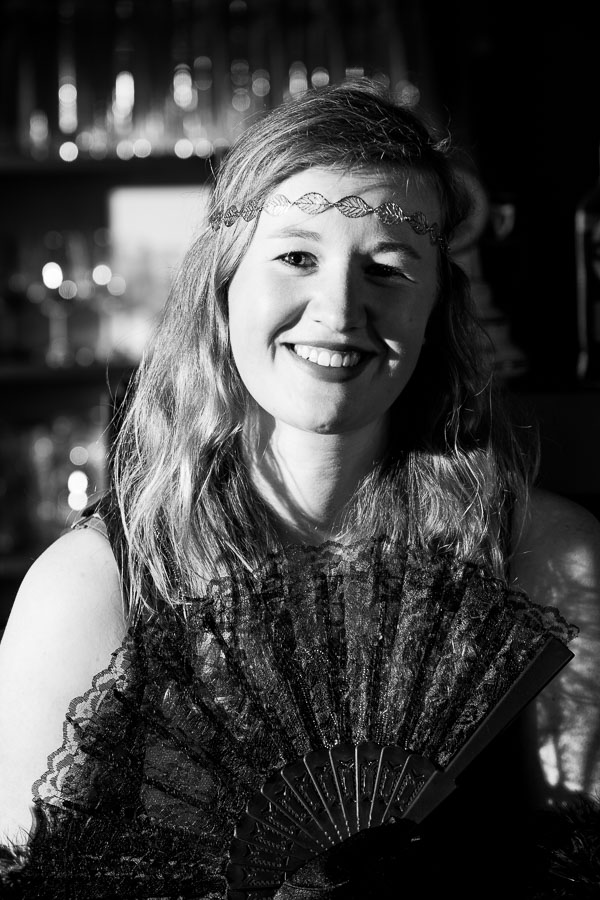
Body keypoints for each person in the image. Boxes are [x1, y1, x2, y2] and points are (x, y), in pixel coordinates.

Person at [1, 78, 599, 898]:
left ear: (436, 308)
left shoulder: (549, 562)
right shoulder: (93, 588)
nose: (339, 308)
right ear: (223, 285)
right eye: (296, 257)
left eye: (388, 268)